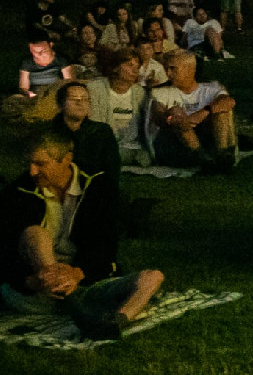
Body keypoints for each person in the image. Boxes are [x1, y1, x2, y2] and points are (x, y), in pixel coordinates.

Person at [2, 131, 164, 337]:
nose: (32, 171)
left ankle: (115, 323)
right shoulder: (17, 193)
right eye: (30, 163)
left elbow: (105, 245)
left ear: (66, 159)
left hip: (83, 283)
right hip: (36, 291)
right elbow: (4, 253)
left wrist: (77, 273)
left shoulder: (97, 185)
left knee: (153, 277)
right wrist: (32, 280)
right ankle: (76, 311)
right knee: (35, 234)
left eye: (41, 164)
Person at [148, 49, 238, 172]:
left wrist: (203, 112)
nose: (168, 73)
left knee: (221, 111)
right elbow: (158, 114)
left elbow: (229, 102)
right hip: (177, 143)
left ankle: (222, 154)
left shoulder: (211, 88)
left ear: (189, 69)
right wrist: (173, 119)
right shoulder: (162, 92)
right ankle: (205, 160)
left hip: (206, 136)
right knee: (176, 112)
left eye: (173, 69)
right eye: (167, 69)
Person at [50, 80, 122, 183]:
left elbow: (112, 169)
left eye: (85, 99)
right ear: (61, 105)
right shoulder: (50, 132)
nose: (80, 103)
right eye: (74, 99)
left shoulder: (101, 131)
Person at [8, 31, 75, 124]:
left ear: (50, 45)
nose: (39, 55)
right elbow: (23, 88)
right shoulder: (27, 63)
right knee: (14, 100)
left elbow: (69, 82)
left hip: (55, 93)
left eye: (43, 51)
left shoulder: (61, 60)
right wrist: (30, 94)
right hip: (35, 95)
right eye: (35, 52)